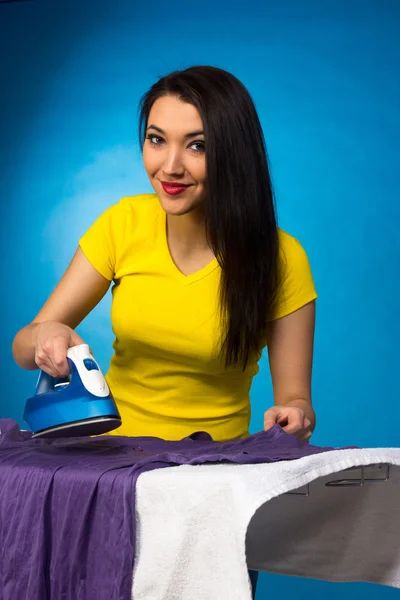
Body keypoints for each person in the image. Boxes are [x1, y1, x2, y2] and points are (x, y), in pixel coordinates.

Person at [12, 66, 317, 598]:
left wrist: (293, 415)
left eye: (196, 145)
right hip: (110, 472)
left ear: (232, 152)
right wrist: (47, 336)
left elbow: (296, 401)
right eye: (156, 140)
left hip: (214, 483)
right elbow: (26, 340)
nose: (169, 166)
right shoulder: (123, 225)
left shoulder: (281, 259)